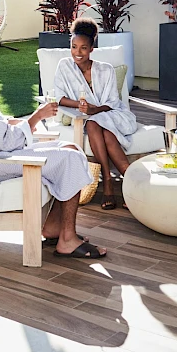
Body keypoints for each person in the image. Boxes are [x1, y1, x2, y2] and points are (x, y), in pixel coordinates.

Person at [0, 42, 107, 258]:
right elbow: (5, 141)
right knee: (68, 159)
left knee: (71, 147)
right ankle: (67, 240)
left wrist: (17, 122)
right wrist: (37, 117)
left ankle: (53, 227)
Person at [53, 17, 137, 210]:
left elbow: (112, 102)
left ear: (92, 48)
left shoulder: (105, 70)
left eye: (83, 48)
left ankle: (108, 182)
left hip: (113, 115)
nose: (78, 53)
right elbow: (58, 96)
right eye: (74, 47)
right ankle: (132, 183)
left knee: (97, 124)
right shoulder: (64, 66)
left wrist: (94, 109)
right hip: (86, 117)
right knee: (96, 126)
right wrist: (81, 105)